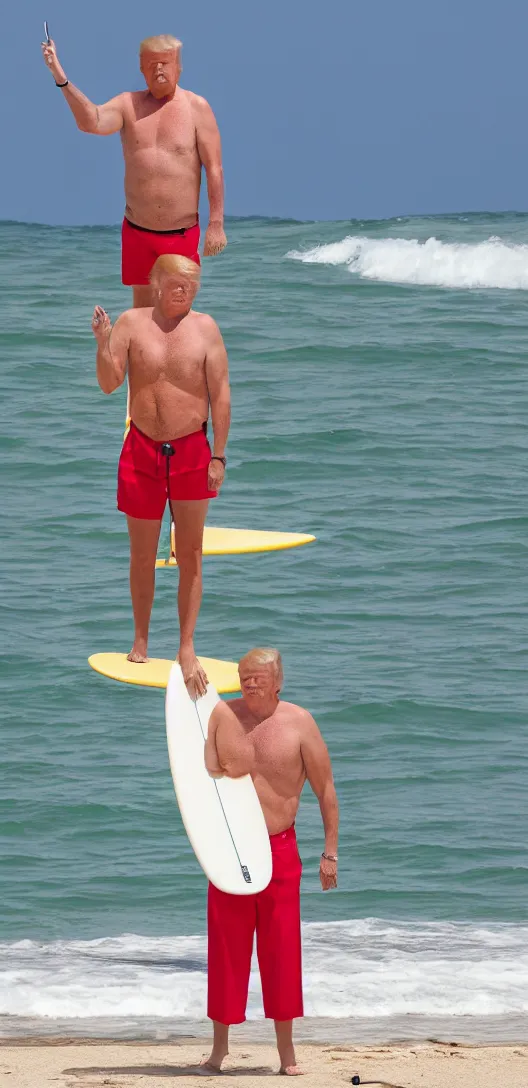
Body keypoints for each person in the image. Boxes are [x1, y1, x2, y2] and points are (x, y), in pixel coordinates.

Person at [91, 253, 230, 697]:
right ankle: (141, 638)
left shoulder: (206, 329)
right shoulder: (131, 324)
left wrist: (219, 457)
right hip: (141, 450)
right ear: (155, 283)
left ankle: (186, 646)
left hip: (191, 449)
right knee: (141, 552)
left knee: (190, 551)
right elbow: (110, 384)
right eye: (176, 285)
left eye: (191, 286)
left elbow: (222, 396)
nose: (184, 292)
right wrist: (102, 341)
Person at [203, 648, 339, 1076]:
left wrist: (329, 852)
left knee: (282, 953)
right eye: (244, 676)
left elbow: (325, 790)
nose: (251, 683)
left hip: (280, 849)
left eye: (259, 677)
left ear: (278, 680)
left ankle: (287, 1057)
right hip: (231, 850)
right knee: (226, 951)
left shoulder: (299, 723)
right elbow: (203, 778)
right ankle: (218, 1052)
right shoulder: (224, 715)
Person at [42, 33, 226, 306]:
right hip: (137, 230)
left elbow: (214, 168)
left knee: (177, 314)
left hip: (180, 233)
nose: (159, 69)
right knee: (141, 315)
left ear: (179, 66)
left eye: (165, 63)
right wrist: (60, 76)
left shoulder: (197, 108)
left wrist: (216, 225)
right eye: (152, 64)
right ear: (141, 68)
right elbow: (91, 122)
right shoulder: (128, 105)